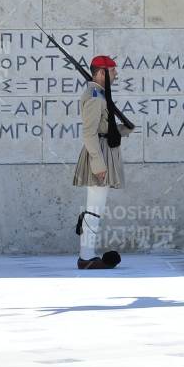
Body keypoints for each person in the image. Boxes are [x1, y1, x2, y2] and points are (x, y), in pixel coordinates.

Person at [73, 54, 134, 269]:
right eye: (112, 71)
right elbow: (89, 134)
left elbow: (103, 129)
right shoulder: (94, 97)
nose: (116, 74)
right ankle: (86, 256)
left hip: (104, 150)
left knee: (96, 207)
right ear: (100, 73)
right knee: (94, 207)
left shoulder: (100, 94)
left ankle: (87, 254)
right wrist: (98, 165)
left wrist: (121, 130)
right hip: (99, 154)